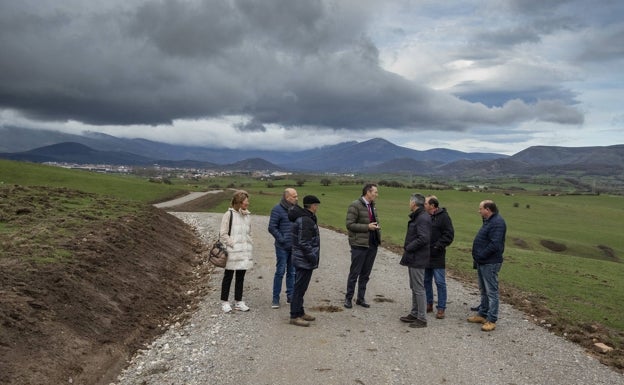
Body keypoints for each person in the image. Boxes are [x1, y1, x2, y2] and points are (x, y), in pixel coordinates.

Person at [468, 200, 506, 332]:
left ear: (488, 209)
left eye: (481, 209)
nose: (479, 211)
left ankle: (492, 319)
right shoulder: (488, 221)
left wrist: (481, 255)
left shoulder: (497, 223)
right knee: (483, 289)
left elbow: (495, 244)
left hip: (490, 262)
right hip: (482, 261)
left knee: (491, 291)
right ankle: (482, 314)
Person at [344, 183, 381, 309]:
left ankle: (361, 298)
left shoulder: (372, 206)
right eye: (375, 192)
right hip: (359, 244)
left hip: (372, 244)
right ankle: (348, 298)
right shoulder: (355, 205)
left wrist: (376, 230)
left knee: (366, 273)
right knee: (355, 272)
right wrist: (367, 227)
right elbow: (349, 224)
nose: (377, 194)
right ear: (368, 192)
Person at [288, 195, 321, 327]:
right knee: (299, 288)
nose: (317, 208)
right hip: (304, 259)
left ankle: (300, 312)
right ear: (312, 206)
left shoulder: (305, 218)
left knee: (302, 288)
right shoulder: (305, 220)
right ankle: (294, 315)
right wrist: (312, 256)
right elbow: (304, 242)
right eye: (316, 205)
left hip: (303, 259)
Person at [399, 193, 431, 328]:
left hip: (418, 257)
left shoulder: (422, 218)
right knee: (414, 287)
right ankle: (414, 313)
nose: (409, 203)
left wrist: (409, 247)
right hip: (414, 257)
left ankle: (422, 318)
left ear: (414, 203)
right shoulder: (419, 216)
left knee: (418, 288)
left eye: (410, 201)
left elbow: (423, 238)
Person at [219, 190, 253, 313]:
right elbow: (223, 233)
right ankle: (225, 302)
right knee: (228, 276)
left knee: (240, 277)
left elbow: (249, 232)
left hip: (244, 252)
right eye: (245, 201)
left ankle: (238, 301)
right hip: (232, 252)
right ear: (239, 202)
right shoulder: (229, 214)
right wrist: (232, 244)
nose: (247, 203)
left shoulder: (248, 215)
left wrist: (248, 244)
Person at [423, 195, 455, 319]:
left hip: (438, 255)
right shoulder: (425, 216)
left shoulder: (444, 217)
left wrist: (438, 246)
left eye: (425, 203)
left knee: (440, 282)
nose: (423, 204)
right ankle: (428, 303)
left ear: (432, 206)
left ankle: (441, 308)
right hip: (425, 254)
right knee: (426, 281)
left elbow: (449, 235)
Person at [268, 188, 298, 309]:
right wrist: (282, 239)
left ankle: (290, 296)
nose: (297, 198)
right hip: (282, 247)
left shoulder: (296, 209)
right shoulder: (277, 209)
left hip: (294, 246)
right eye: (294, 196)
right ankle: (275, 298)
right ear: (287, 197)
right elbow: (272, 227)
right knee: (280, 271)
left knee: (292, 272)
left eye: (297, 196)